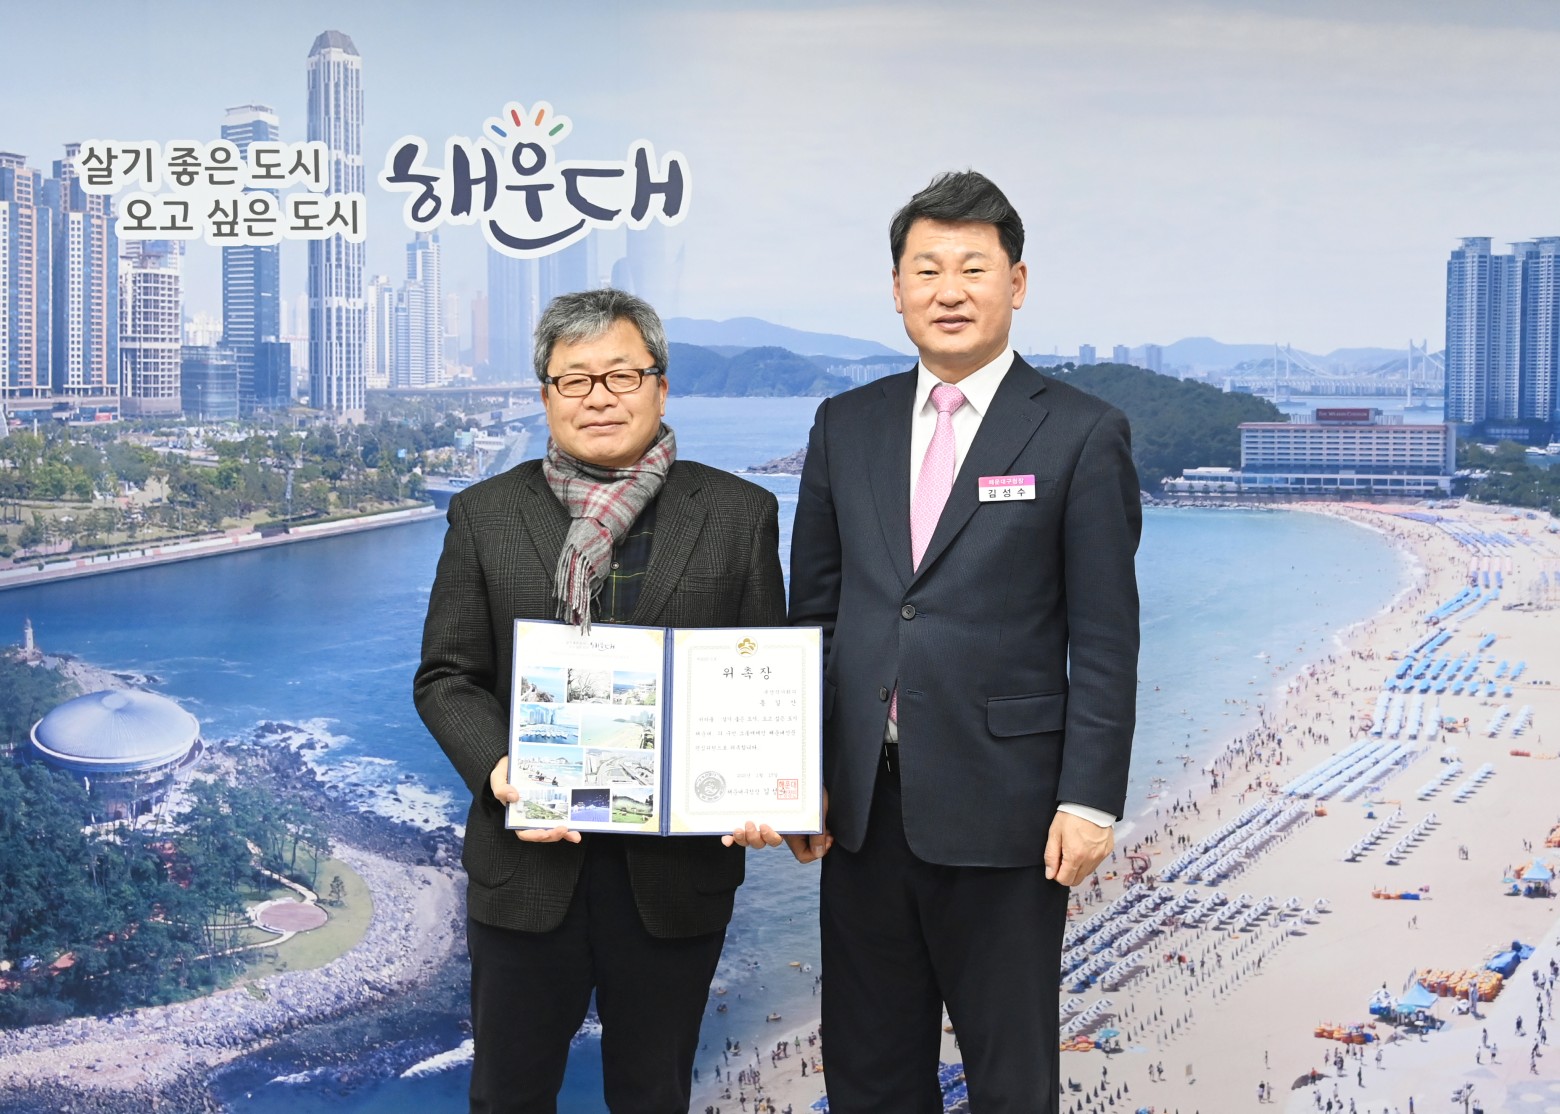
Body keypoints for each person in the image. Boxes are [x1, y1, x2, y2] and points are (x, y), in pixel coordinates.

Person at [787, 171, 1141, 1112]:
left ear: (1016, 283)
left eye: (973, 268)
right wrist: (797, 774)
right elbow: (815, 616)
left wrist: (1090, 800)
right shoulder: (845, 425)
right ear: (896, 288)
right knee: (867, 1075)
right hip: (861, 812)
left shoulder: (1080, 432)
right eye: (927, 268)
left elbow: (1106, 636)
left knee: (1010, 1079)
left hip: (1009, 812)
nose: (949, 290)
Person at [414, 288, 787, 1114]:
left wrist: (765, 789)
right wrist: (503, 771)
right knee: (507, 1097)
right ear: (546, 395)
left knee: (654, 1097)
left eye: (622, 375)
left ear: (661, 386)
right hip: (527, 868)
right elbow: (446, 676)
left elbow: (763, 675)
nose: (599, 397)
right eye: (574, 379)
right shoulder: (485, 514)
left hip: (676, 878)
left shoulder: (738, 514)